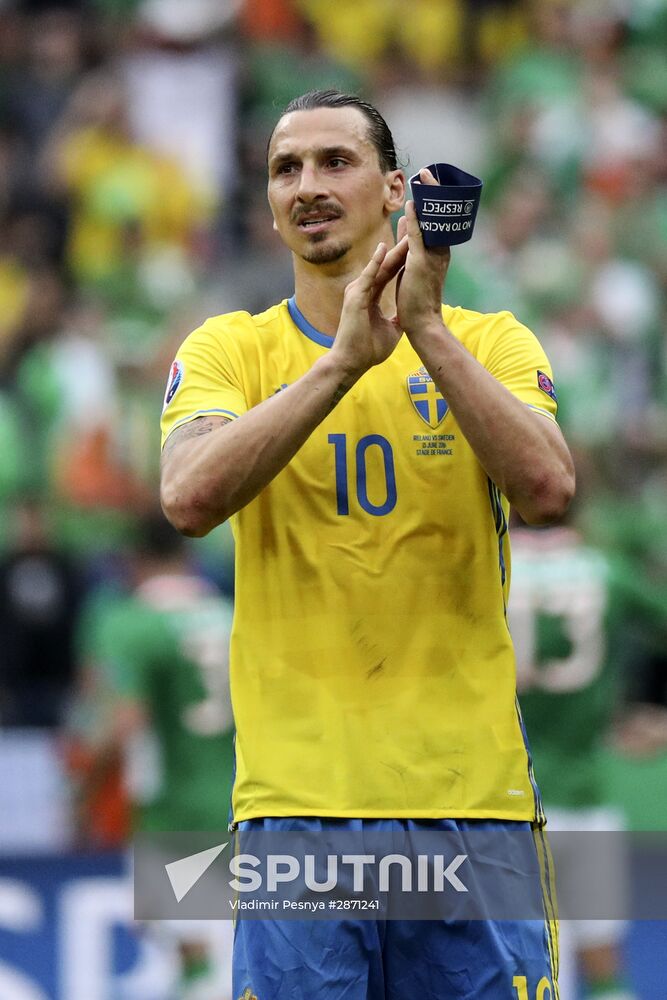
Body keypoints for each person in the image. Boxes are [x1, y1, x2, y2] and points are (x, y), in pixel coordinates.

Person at [159, 89, 575, 1000]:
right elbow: (187, 498)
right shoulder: (230, 349)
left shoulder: (487, 342)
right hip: (295, 811)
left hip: (470, 804)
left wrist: (422, 330)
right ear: (268, 203)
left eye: (333, 162)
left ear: (395, 190)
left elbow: (547, 491)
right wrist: (344, 360)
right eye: (285, 168)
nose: (307, 185)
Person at [72, 512, 235, 999]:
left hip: (172, 812)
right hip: (241, 803)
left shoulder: (130, 625)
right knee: (222, 955)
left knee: (193, 961)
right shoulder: (229, 613)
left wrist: (82, 796)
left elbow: (123, 724)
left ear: (132, 561)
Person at [509, 522, 638, 1000]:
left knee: (536, 973)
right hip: (587, 796)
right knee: (605, 966)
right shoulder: (610, 572)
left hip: (509, 803)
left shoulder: (487, 567)